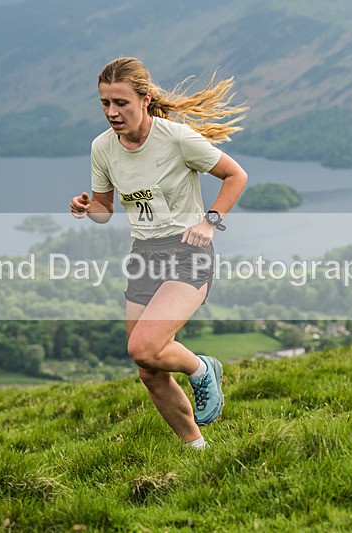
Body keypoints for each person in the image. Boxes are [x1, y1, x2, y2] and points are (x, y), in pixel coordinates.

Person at [70, 57, 248, 450]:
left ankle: (202, 368)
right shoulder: (102, 148)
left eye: (121, 103)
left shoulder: (177, 138)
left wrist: (209, 221)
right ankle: (196, 449)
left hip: (188, 253)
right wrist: (87, 209)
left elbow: (236, 175)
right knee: (148, 369)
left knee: (143, 347)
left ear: (145, 100)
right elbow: (104, 211)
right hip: (144, 254)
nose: (112, 112)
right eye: (105, 103)